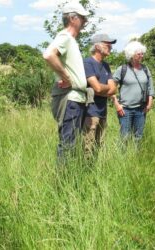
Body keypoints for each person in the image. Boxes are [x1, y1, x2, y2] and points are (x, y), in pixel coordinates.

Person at [43, 2, 89, 166]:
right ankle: (62, 183)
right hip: (70, 99)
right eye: (83, 18)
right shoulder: (65, 37)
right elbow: (49, 55)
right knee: (68, 144)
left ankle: (68, 180)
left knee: (72, 143)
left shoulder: (71, 40)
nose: (85, 22)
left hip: (76, 99)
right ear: (72, 18)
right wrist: (67, 77)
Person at [111, 41, 155, 148]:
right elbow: (111, 88)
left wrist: (149, 103)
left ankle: (136, 159)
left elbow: (150, 87)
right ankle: (123, 160)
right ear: (131, 55)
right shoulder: (122, 69)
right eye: (139, 54)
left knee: (138, 137)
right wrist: (117, 104)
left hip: (141, 109)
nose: (142, 56)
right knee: (124, 137)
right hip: (125, 109)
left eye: (142, 53)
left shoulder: (145, 69)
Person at [82, 34, 117, 160]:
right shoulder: (87, 63)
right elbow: (97, 88)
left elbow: (113, 89)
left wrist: (101, 89)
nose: (111, 47)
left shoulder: (106, 65)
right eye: (108, 45)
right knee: (88, 146)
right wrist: (102, 89)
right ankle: (85, 174)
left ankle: (95, 173)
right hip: (90, 112)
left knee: (100, 145)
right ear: (97, 46)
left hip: (103, 112)